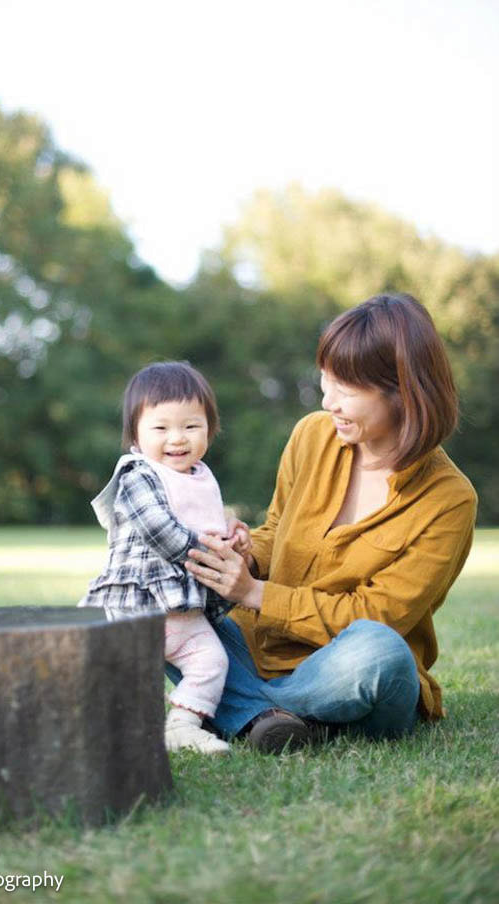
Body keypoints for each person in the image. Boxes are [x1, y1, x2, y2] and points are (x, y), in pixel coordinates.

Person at [180, 293, 477, 753]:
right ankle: (284, 719)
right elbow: (276, 529)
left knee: (381, 652)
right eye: (326, 382)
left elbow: (379, 616)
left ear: (404, 391)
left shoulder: (450, 500)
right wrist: (244, 553)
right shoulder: (312, 435)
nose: (328, 401)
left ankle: (244, 708)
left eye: (347, 390)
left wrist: (255, 593)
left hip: (347, 668)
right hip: (261, 651)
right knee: (154, 602)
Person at [79, 361, 251, 754]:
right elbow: (162, 532)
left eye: (191, 426)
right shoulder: (138, 476)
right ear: (136, 435)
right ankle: (106, 726)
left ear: (210, 429)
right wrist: (216, 551)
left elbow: (206, 526)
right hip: (137, 606)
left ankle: (182, 726)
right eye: (161, 428)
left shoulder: (200, 476)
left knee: (212, 662)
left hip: (184, 611)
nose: (177, 438)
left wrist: (233, 538)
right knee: (121, 675)